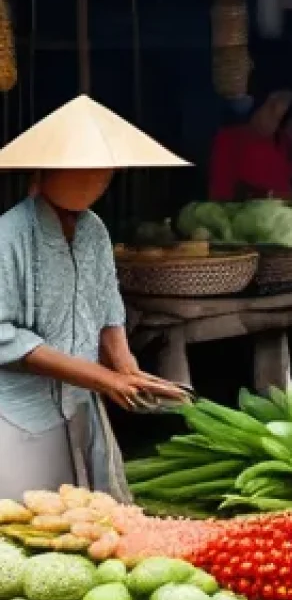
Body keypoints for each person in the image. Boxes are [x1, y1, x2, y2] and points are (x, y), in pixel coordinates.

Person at [0, 98, 188, 502]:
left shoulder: (94, 230)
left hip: (80, 402)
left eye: (106, 170)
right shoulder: (8, 235)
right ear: (51, 169)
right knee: (29, 521)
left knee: (89, 515)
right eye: (89, 167)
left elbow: (106, 303)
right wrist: (103, 379)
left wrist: (126, 367)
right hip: (18, 413)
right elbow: (4, 335)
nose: (102, 179)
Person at [208, 89, 292, 201]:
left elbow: (287, 191)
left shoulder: (281, 142)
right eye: (271, 107)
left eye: (279, 117)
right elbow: (221, 195)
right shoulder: (229, 138)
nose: (274, 121)